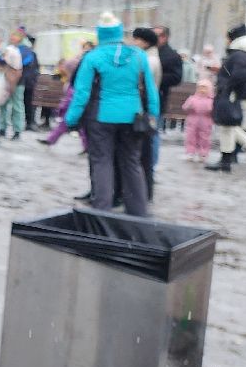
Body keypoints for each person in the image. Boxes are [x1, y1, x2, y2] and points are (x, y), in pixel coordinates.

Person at [64, 12, 159, 215]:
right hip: (133, 118)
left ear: (100, 34)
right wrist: (153, 114)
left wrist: (71, 119)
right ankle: (138, 212)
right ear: (119, 32)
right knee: (132, 163)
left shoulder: (92, 57)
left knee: (102, 162)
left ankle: (102, 212)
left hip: (100, 118)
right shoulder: (139, 55)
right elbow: (151, 90)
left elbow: (81, 93)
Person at [207, 24, 246, 172]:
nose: (226, 41)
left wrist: (226, 89)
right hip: (242, 95)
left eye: (228, 38)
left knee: (229, 126)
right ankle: (226, 160)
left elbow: (238, 76)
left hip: (238, 96)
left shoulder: (239, 54)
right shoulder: (244, 54)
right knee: (228, 127)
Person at [131, 26, 162, 196]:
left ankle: (144, 191)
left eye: (136, 39)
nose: (133, 42)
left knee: (143, 153)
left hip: (143, 111)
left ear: (144, 42)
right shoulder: (152, 58)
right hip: (147, 109)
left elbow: (143, 86)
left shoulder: (148, 61)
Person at [11, 28, 41, 130]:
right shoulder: (31, 52)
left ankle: (28, 122)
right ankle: (29, 122)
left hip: (25, 80)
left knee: (24, 102)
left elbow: (23, 65)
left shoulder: (26, 52)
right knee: (26, 102)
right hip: (29, 81)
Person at [0, 41, 25, 139]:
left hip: (15, 82)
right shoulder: (15, 52)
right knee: (7, 105)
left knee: (15, 106)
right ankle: (8, 129)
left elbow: (3, 64)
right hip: (11, 80)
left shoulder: (12, 52)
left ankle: (15, 130)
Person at [156, 26, 184, 126]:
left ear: (165, 37)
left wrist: (156, 77)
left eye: (156, 35)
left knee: (153, 131)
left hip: (159, 96)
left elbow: (176, 77)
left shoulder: (171, 56)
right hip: (142, 99)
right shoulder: (148, 52)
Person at [182, 79, 215, 162]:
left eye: (205, 88)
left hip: (206, 122)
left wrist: (211, 110)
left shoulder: (211, 100)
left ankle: (203, 153)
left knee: (204, 138)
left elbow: (214, 111)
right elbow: (185, 107)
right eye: (200, 88)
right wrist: (189, 106)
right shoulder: (193, 98)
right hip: (193, 121)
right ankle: (190, 152)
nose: (202, 90)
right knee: (191, 137)